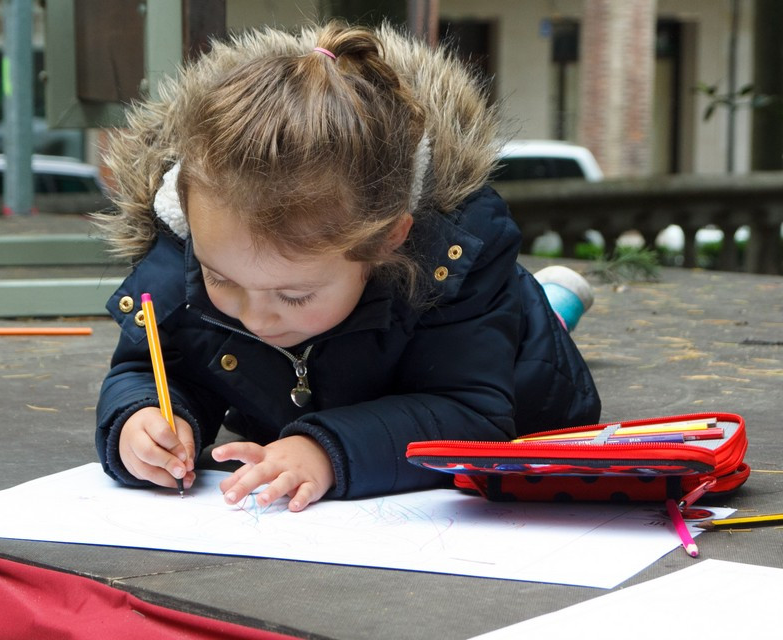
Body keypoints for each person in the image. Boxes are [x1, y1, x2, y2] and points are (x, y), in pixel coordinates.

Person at [94, 21, 601, 512]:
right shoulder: (191, 249)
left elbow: (470, 412)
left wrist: (325, 450)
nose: (256, 318)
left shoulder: (455, 263)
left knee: (526, 329)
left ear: (387, 240)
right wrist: (141, 420)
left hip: (515, 374)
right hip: (325, 398)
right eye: (221, 279)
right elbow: (150, 368)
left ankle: (551, 307)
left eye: (294, 295)